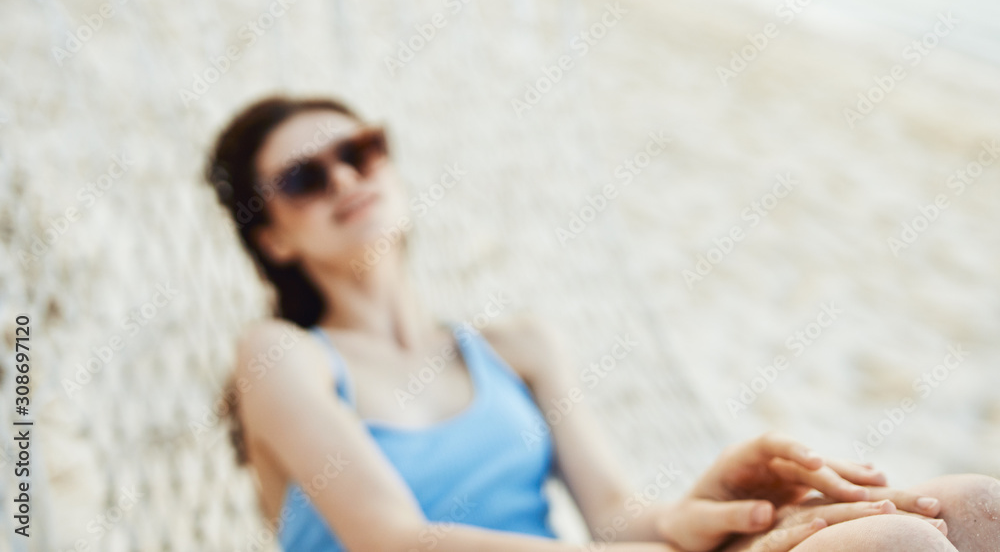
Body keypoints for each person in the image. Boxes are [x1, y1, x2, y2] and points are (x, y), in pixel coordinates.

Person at [205, 95, 999, 552]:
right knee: (893, 544)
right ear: (270, 236)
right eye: (306, 177)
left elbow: (615, 515)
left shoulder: (517, 348)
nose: (347, 176)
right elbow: (393, 539)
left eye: (363, 149)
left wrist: (702, 512)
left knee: (972, 506)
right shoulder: (281, 356)